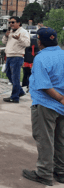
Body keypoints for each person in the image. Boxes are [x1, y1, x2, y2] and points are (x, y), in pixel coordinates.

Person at [22, 27, 64, 186]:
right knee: (61, 139)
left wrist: (60, 98)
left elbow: (43, 85)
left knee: (45, 139)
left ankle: (44, 173)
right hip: (62, 106)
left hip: (47, 104)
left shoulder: (41, 58)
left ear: (40, 41)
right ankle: (61, 172)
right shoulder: (63, 54)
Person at [2, 16, 30, 103]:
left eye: (13, 22)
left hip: (17, 56)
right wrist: (6, 36)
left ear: (18, 23)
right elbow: (4, 42)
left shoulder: (23, 32)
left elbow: (27, 43)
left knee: (15, 77)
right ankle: (20, 91)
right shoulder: (10, 31)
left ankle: (14, 97)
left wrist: (19, 38)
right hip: (9, 55)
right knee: (8, 74)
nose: (11, 24)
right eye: (10, 22)